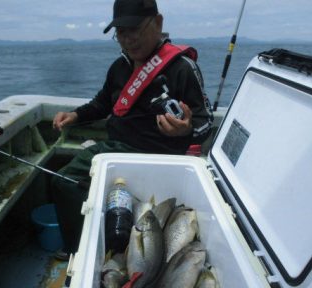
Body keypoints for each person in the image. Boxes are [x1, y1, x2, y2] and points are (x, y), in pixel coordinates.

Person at [51, 0, 214, 260]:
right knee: (64, 182)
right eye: (121, 33)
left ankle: (79, 249)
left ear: (158, 23)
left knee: (64, 182)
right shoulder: (119, 67)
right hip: (116, 152)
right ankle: (84, 248)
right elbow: (102, 103)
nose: (128, 39)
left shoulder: (183, 68)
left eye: (134, 29)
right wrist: (75, 115)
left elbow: (206, 122)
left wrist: (185, 131)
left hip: (160, 157)